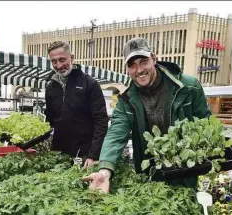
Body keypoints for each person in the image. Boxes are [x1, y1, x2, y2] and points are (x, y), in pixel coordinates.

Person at [83, 37, 211, 192]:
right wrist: (105, 171)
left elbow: (206, 124)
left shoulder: (189, 86)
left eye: (143, 61)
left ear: (154, 58)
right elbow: (115, 135)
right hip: (150, 175)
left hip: (188, 171)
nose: (139, 70)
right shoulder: (126, 100)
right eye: (132, 65)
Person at [45, 41, 108, 168]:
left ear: (72, 58)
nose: (58, 65)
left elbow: (101, 121)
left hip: (84, 154)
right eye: (54, 61)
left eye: (62, 60)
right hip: (59, 153)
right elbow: (49, 121)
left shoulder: (89, 83)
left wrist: (93, 155)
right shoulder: (51, 86)